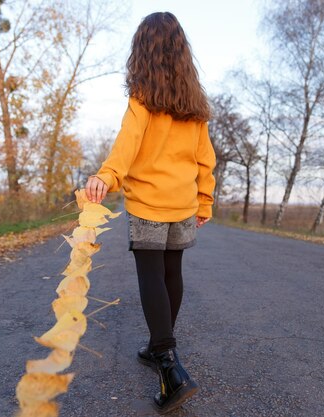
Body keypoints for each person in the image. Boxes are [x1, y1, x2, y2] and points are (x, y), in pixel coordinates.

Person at [85, 11, 216, 414]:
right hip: (181, 203)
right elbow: (205, 159)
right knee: (172, 274)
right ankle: (156, 346)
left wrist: (107, 176)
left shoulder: (142, 99)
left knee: (151, 278)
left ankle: (169, 365)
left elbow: (127, 143)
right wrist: (205, 200)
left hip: (147, 205)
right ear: (182, 52)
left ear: (142, 50)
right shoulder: (194, 106)